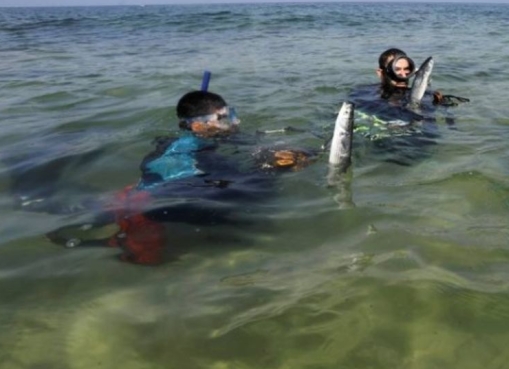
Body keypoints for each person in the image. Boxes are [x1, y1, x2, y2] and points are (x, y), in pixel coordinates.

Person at [46, 89, 314, 265]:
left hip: (148, 198)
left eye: (233, 114)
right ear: (199, 125)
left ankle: (105, 226)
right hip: (160, 202)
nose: (236, 121)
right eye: (226, 117)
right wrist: (270, 169)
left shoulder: (186, 142)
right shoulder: (190, 148)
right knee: (256, 191)